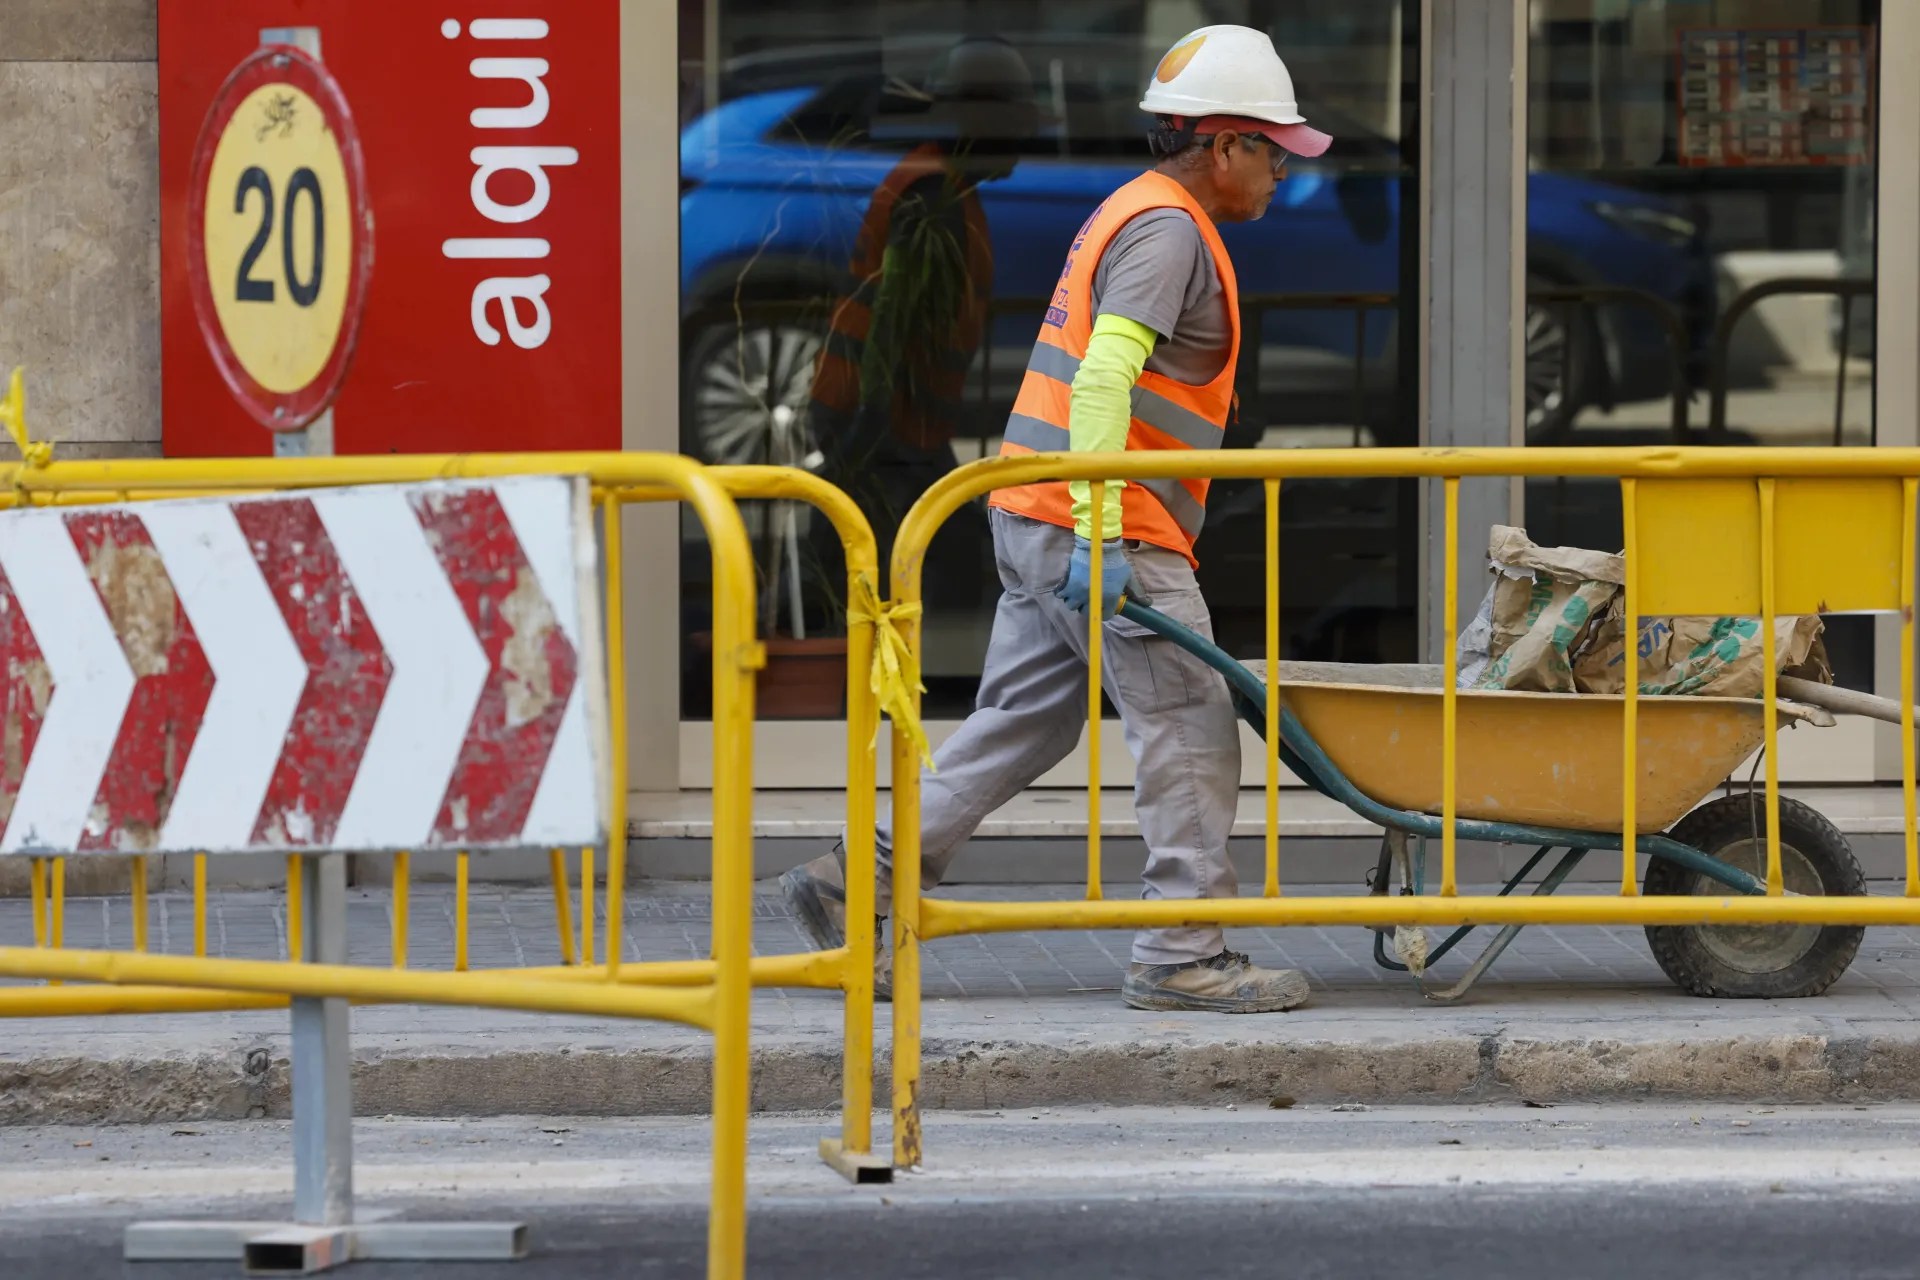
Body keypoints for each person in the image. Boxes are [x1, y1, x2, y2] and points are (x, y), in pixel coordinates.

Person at [783, 25, 1332, 1014]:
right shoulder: (1168, 230)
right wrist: (1098, 533)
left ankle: (853, 881)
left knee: (1021, 722)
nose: (1284, 173)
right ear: (1221, 145)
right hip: (1099, 523)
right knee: (1191, 728)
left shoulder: (1137, 212)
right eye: (1273, 149)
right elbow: (1105, 378)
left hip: (1036, 509)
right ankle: (1182, 952)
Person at [807, 37, 1041, 611]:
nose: (1026, 137)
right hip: (882, 429)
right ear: (979, 121)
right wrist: (865, 445)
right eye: (1016, 121)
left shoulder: (946, 189)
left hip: (896, 429)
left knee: (935, 557)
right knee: (924, 566)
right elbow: (892, 322)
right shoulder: (933, 197)